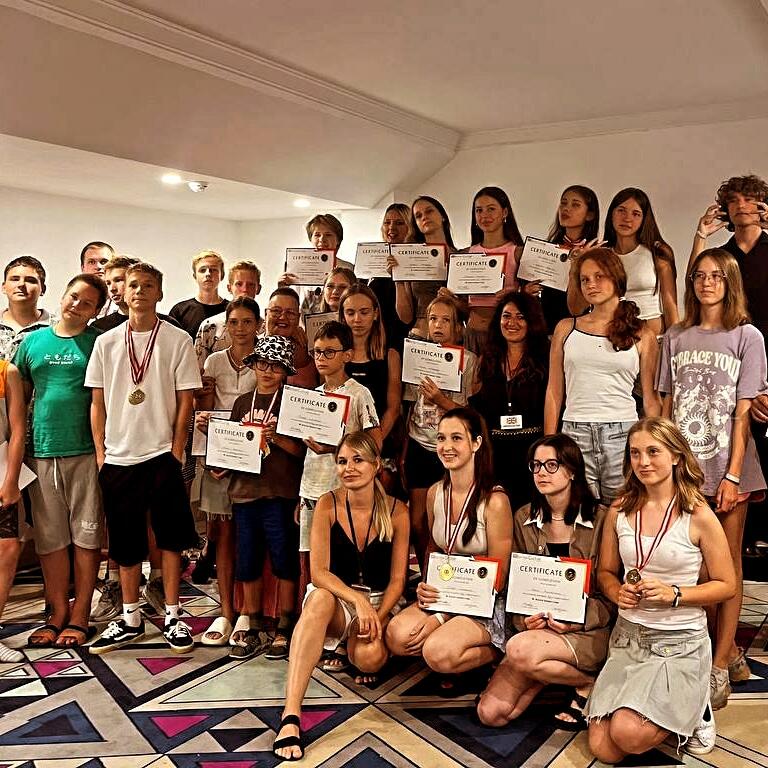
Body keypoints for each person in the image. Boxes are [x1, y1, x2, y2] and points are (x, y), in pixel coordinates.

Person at [586, 418, 736, 761]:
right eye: (635, 453)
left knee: (627, 734)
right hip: (628, 638)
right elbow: (606, 572)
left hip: (679, 642)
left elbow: (727, 585)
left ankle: (698, 705)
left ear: (676, 456)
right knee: (604, 749)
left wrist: (676, 594)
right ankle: (670, 706)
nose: (643, 462)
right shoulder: (620, 509)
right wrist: (615, 591)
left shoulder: (698, 514)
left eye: (653, 452)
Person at [657, 247, 767, 709]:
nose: (707, 283)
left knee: (728, 568)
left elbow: (743, 415)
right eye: (699, 275)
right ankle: (710, 654)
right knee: (692, 567)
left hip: (728, 467)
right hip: (684, 470)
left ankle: (721, 664)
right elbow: (665, 408)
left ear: (730, 282)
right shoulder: (675, 336)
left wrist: (733, 475)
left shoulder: (747, 336)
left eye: (716, 276)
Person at [86, 263, 202, 654]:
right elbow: (97, 402)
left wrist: (176, 450)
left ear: (159, 293)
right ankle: (130, 617)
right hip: (119, 457)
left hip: (161, 454)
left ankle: (173, 615)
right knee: (125, 542)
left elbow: (186, 400)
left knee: (170, 539)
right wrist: (101, 453)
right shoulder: (106, 342)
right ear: (123, 291)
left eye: (147, 285)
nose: (139, 291)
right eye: (133, 285)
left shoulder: (177, 339)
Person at [272, 431, 409, 761]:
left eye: (358, 460)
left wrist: (375, 615)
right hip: (339, 600)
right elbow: (319, 572)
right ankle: (290, 715)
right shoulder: (328, 503)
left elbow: (398, 581)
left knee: (369, 660)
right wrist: (357, 601)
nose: (349, 468)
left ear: (376, 466)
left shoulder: (397, 511)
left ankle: (346, 648)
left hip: (379, 602)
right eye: (343, 461)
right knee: (319, 598)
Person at [477, 434, 612, 731]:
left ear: (572, 470)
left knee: (519, 650)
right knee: (491, 713)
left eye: (552, 465)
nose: (541, 472)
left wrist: (576, 621)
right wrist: (524, 620)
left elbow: (611, 597)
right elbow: (515, 588)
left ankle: (584, 680)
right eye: (536, 465)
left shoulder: (602, 520)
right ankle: (566, 677)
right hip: (535, 633)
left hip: (587, 633)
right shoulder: (524, 517)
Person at [387, 408, 512, 686]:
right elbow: (434, 549)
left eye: (457, 438)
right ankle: (453, 647)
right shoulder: (435, 493)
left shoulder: (495, 501)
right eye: (441, 438)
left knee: (437, 653)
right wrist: (427, 585)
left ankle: (499, 651)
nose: (446, 446)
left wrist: (442, 616)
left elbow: (500, 577)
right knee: (397, 636)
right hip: (447, 592)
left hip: (485, 601)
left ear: (476, 443)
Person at [16, 274, 108, 648]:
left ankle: (81, 613)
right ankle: (56, 613)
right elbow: (19, 402)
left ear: (96, 311)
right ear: (63, 295)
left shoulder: (98, 343)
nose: (76, 305)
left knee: (86, 536)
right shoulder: (32, 342)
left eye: (87, 303)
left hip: (86, 452)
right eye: (74, 296)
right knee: (51, 539)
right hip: (41, 453)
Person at [690, 174, 768, 562]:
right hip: (728, 371)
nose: (741, 207)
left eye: (749, 200)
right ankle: (746, 548)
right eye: (734, 201)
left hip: (764, 368)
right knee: (737, 453)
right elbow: (695, 291)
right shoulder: (722, 257)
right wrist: (700, 236)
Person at [546, 248, 660, 503]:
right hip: (574, 430)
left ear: (616, 277)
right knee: (577, 511)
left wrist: (656, 444)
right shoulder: (566, 328)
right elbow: (554, 391)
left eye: (599, 276)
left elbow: (651, 398)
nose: (591, 284)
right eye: (584, 279)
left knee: (622, 510)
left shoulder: (643, 334)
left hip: (622, 431)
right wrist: (549, 442)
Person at [225, 335, 305, 659]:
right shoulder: (242, 402)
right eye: (262, 364)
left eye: (275, 366)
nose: (268, 371)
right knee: (247, 561)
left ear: (285, 371)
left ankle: (285, 624)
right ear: (253, 366)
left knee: (284, 560)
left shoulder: (294, 403)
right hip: (245, 493)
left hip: (280, 492)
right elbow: (230, 446)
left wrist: (278, 438)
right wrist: (216, 451)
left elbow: (304, 451)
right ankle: (254, 624)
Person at [193, 297, 260, 647]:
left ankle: (248, 610)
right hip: (218, 459)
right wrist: (207, 443)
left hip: (253, 460)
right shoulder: (214, 361)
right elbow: (205, 409)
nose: (240, 328)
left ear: (258, 325)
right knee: (222, 534)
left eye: (247, 321)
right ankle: (226, 610)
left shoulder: (264, 359)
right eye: (234, 322)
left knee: (249, 535)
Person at [297, 321, 381, 567]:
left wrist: (336, 449)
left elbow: (375, 442)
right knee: (309, 555)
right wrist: (301, 494)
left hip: (343, 488)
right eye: (317, 352)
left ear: (347, 355)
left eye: (329, 352)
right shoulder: (313, 395)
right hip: (311, 487)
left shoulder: (359, 393)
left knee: (339, 556)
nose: (321, 358)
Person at [402, 295, 478, 561]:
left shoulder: (469, 361)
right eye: (433, 319)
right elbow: (409, 405)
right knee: (418, 520)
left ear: (458, 328)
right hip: (420, 444)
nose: (438, 325)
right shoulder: (416, 358)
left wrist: (441, 400)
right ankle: (425, 570)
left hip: (452, 447)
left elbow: (469, 414)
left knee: (448, 517)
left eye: (446, 320)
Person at [469, 291, 549, 509]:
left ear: (532, 322)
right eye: (506, 316)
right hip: (495, 453)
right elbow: (476, 407)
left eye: (520, 317)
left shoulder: (546, 359)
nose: (512, 323)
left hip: (533, 451)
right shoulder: (487, 359)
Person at [569, 188, 677, 334]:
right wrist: (577, 264)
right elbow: (576, 309)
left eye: (636, 214)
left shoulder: (657, 252)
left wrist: (675, 343)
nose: (627, 219)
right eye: (621, 210)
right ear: (611, 214)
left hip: (653, 338)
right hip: (610, 337)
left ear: (644, 219)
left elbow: (671, 307)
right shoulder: (601, 256)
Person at [339, 284, 403, 490]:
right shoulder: (335, 355)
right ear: (343, 316)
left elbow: (393, 408)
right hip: (341, 448)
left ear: (375, 313)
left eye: (364, 312)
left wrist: (370, 447)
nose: (357, 319)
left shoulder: (390, 355)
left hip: (379, 446)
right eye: (350, 313)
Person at [464, 186, 526, 354]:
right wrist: (451, 298)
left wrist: (514, 294)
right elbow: (464, 305)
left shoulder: (518, 252)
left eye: (491, 209)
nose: (484, 215)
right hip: (472, 334)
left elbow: (530, 298)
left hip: (504, 334)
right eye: (479, 210)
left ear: (504, 212)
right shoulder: (466, 254)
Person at [0, 356, 31, 662]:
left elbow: (18, 429)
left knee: (7, 547)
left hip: (1, 474)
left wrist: (11, 481)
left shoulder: (6, 372)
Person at [390, 196, 455, 338]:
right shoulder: (409, 259)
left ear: (443, 216)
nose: (424, 217)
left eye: (429, 211)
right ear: (416, 225)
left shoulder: (460, 257)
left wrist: (454, 301)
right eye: (418, 216)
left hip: (453, 340)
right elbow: (405, 317)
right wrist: (398, 279)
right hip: (420, 335)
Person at [542, 185, 600, 333]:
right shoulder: (546, 250)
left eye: (575, 205)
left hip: (582, 330)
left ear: (590, 215)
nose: (566, 209)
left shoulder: (596, 253)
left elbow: (581, 307)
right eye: (563, 203)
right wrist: (529, 292)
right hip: (547, 330)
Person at [279, 214, 355, 315]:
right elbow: (293, 302)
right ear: (311, 239)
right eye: (317, 235)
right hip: (305, 322)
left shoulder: (349, 268)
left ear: (338, 240)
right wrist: (283, 288)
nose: (322, 239)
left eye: (328, 234)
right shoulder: (297, 267)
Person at [194, 260, 262, 370]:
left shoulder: (265, 328)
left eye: (250, 285)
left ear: (258, 288)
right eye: (239, 284)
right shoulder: (210, 326)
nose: (245, 290)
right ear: (229, 288)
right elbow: (197, 369)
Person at [369, 203, 414, 352]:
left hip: (404, 340)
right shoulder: (373, 259)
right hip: (376, 340)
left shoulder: (416, 262)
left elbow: (407, 318)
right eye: (387, 222)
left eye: (399, 223)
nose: (391, 228)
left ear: (410, 227)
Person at [0, 256, 52, 361]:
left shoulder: (57, 328)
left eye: (30, 280)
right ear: (3, 287)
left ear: (43, 289)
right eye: (15, 279)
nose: (21, 284)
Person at [263, 288, 316, 390]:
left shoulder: (309, 352)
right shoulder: (252, 345)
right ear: (266, 313)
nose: (283, 317)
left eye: (290, 313)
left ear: (298, 317)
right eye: (276, 311)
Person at [169, 250, 229, 339]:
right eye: (202, 270)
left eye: (213, 270)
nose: (208, 274)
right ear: (195, 276)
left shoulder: (231, 310)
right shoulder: (179, 311)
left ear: (222, 275)